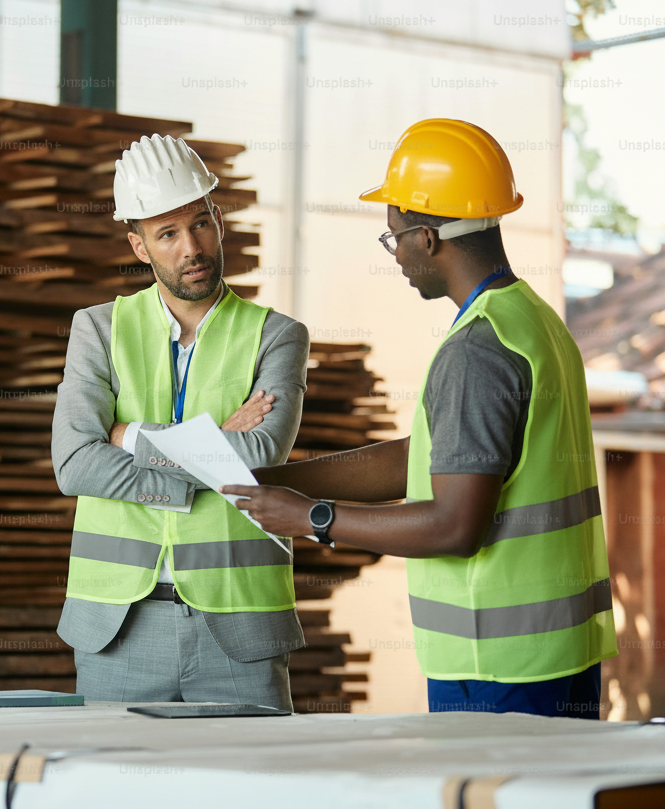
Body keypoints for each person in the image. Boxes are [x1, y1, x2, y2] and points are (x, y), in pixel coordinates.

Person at [222, 119, 617, 719]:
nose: (397, 255)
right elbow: (434, 458)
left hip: (496, 669)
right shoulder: (530, 321)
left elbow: (455, 525)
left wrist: (311, 519)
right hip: (553, 654)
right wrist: (282, 481)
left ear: (427, 238)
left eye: (394, 238)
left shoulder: (475, 351)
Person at [51, 134, 311, 711]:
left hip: (240, 628)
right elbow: (73, 464)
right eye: (167, 234)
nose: (190, 246)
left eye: (200, 224)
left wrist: (127, 438)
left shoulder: (277, 335)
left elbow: (260, 456)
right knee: (112, 797)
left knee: (253, 798)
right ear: (139, 247)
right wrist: (214, 449)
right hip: (116, 627)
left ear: (218, 219)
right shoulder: (98, 329)